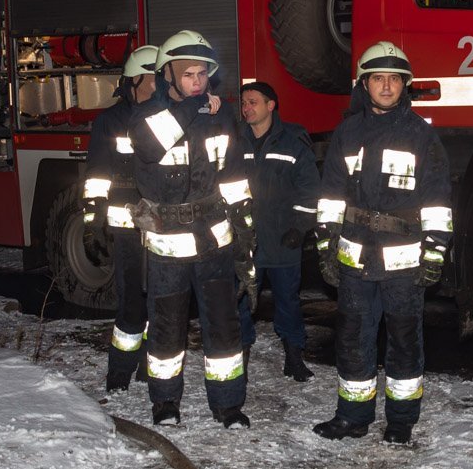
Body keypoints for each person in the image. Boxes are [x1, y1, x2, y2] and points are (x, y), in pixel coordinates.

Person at [311, 41, 453, 445]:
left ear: (404, 85)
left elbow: (437, 200)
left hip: (404, 264)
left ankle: (401, 420)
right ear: (365, 84)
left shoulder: (422, 137)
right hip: (355, 258)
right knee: (353, 338)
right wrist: (324, 245)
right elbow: (331, 195)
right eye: (378, 78)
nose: (387, 86)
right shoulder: (347, 133)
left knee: (405, 340)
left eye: (394, 79)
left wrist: (436, 250)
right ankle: (352, 417)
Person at [127, 30, 256, 428]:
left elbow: (234, 177)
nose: (198, 82)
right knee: (166, 328)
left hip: (214, 240)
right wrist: (196, 107)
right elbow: (151, 148)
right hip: (167, 245)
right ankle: (165, 403)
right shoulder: (147, 116)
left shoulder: (219, 116)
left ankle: (228, 405)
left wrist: (245, 233)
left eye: (202, 74)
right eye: (188, 75)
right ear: (168, 76)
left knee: (223, 326)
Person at [80, 44, 158, 393]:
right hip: (126, 227)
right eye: (157, 77)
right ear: (137, 78)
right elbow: (97, 172)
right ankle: (120, 371)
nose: (163, 83)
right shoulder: (110, 121)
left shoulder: (166, 115)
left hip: (161, 225)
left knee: (161, 298)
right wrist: (94, 219)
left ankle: (150, 366)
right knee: (129, 302)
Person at [236, 81, 321, 382]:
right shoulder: (235, 143)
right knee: (241, 303)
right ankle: (239, 360)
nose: (247, 108)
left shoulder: (293, 143)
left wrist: (299, 228)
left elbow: (310, 191)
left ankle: (294, 357)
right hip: (246, 242)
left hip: (283, 239)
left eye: (253, 102)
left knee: (288, 302)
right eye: (244, 103)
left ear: (271, 106)